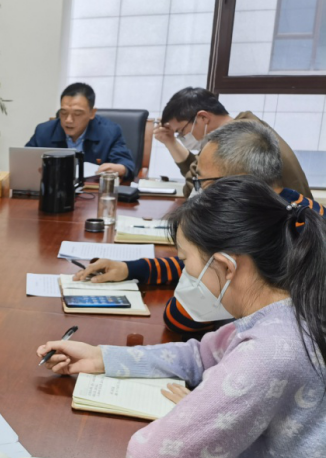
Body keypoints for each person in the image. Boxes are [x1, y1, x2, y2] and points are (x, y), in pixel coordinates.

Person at [35, 178, 326, 458]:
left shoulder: (272, 351)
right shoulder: (288, 308)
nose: (184, 275)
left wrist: (199, 409)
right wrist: (103, 357)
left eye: (188, 263)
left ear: (225, 266)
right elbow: (200, 355)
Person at [74, 121, 323, 336]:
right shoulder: (304, 210)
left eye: (202, 181)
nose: (199, 191)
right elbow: (203, 266)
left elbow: (180, 319)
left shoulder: (249, 227)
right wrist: (133, 269)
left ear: (236, 183)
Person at [153, 87, 312, 199]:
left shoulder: (238, 140)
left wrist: (172, 143)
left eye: (181, 131)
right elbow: (200, 174)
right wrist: (170, 141)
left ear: (203, 117)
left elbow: (193, 189)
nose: (182, 137)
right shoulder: (246, 126)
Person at [25, 82, 137, 180]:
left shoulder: (110, 132)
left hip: (93, 193)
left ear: (92, 113)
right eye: (63, 113)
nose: (68, 120)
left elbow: (126, 164)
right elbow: (25, 160)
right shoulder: (44, 131)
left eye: (77, 114)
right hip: (55, 190)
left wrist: (120, 168)